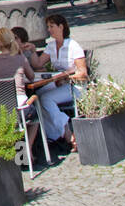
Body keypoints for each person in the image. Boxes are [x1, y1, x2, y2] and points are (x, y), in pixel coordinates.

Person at [35, 14, 88, 151]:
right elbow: (38, 63)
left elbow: (83, 73)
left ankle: (67, 134)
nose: (49, 30)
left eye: (52, 26)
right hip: (59, 84)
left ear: (61, 26)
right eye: (48, 27)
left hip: (74, 86)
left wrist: (66, 78)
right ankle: (53, 133)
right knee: (37, 96)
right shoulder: (51, 46)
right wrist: (29, 50)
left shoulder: (73, 45)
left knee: (46, 98)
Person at [0, 29, 40, 154]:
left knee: (15, 123)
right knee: (35, 115)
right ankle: (27, 149)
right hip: (19, 110)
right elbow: (31, 77)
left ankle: (14, 153)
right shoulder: (20, 59)